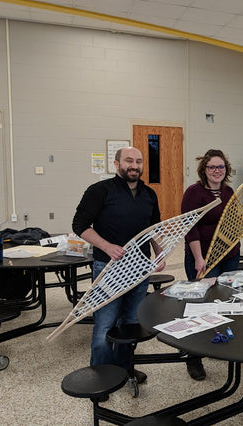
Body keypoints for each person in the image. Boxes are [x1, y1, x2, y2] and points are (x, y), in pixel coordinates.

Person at [72, 146, 163, 389]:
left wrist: (159, 252)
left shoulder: (149, 194)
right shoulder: (100, 191)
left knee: (131, 323)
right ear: (116, 164)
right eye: (129, 161)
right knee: (105, 324)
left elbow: (153, 227)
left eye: (139, 161)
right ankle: (100, 378)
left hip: (139, 268)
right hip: (108, 267)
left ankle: (124, 369)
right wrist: (107, 246)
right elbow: (79, 224)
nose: (134, 166)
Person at [180, 149, 243, 380]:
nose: (217, 171)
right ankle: (193, 356)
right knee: (203, 303)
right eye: (212, 167)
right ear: (204, 169)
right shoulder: (194, 193)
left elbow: (234, 221)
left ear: (226, 170)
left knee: (227, 299)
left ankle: (221, 344)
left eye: (221, 167)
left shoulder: (227, 191)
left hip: (229, 254)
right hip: (204, 256)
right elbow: (190, 226)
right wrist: (198, 258)